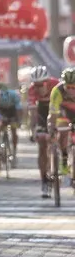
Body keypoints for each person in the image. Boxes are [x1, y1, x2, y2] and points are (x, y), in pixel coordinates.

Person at [26, 66, 58, 196]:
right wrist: (33, 129)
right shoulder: (32, 90)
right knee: (42, 145)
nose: (39, 87)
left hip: (56, 110)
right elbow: (33, 113)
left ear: (48, 81)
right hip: (42, 113)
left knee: (62, 136)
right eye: (36, 84)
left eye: (41, 84)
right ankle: (44, 180)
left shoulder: (56, 85)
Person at [46, 68, 75, 196]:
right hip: (63, 112)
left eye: (74, 87)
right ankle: (64, 157)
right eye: (68, 87)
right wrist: (52, 128)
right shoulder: (57, 91)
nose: (71, 90)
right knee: (62, 130)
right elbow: (52, 115)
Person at [0, 79, 24, 169]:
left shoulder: (14, 95)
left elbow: (19, 110)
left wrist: (19, 121)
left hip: (12, 110)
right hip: (0, 110)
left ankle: (14, 151)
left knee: (14, 130)